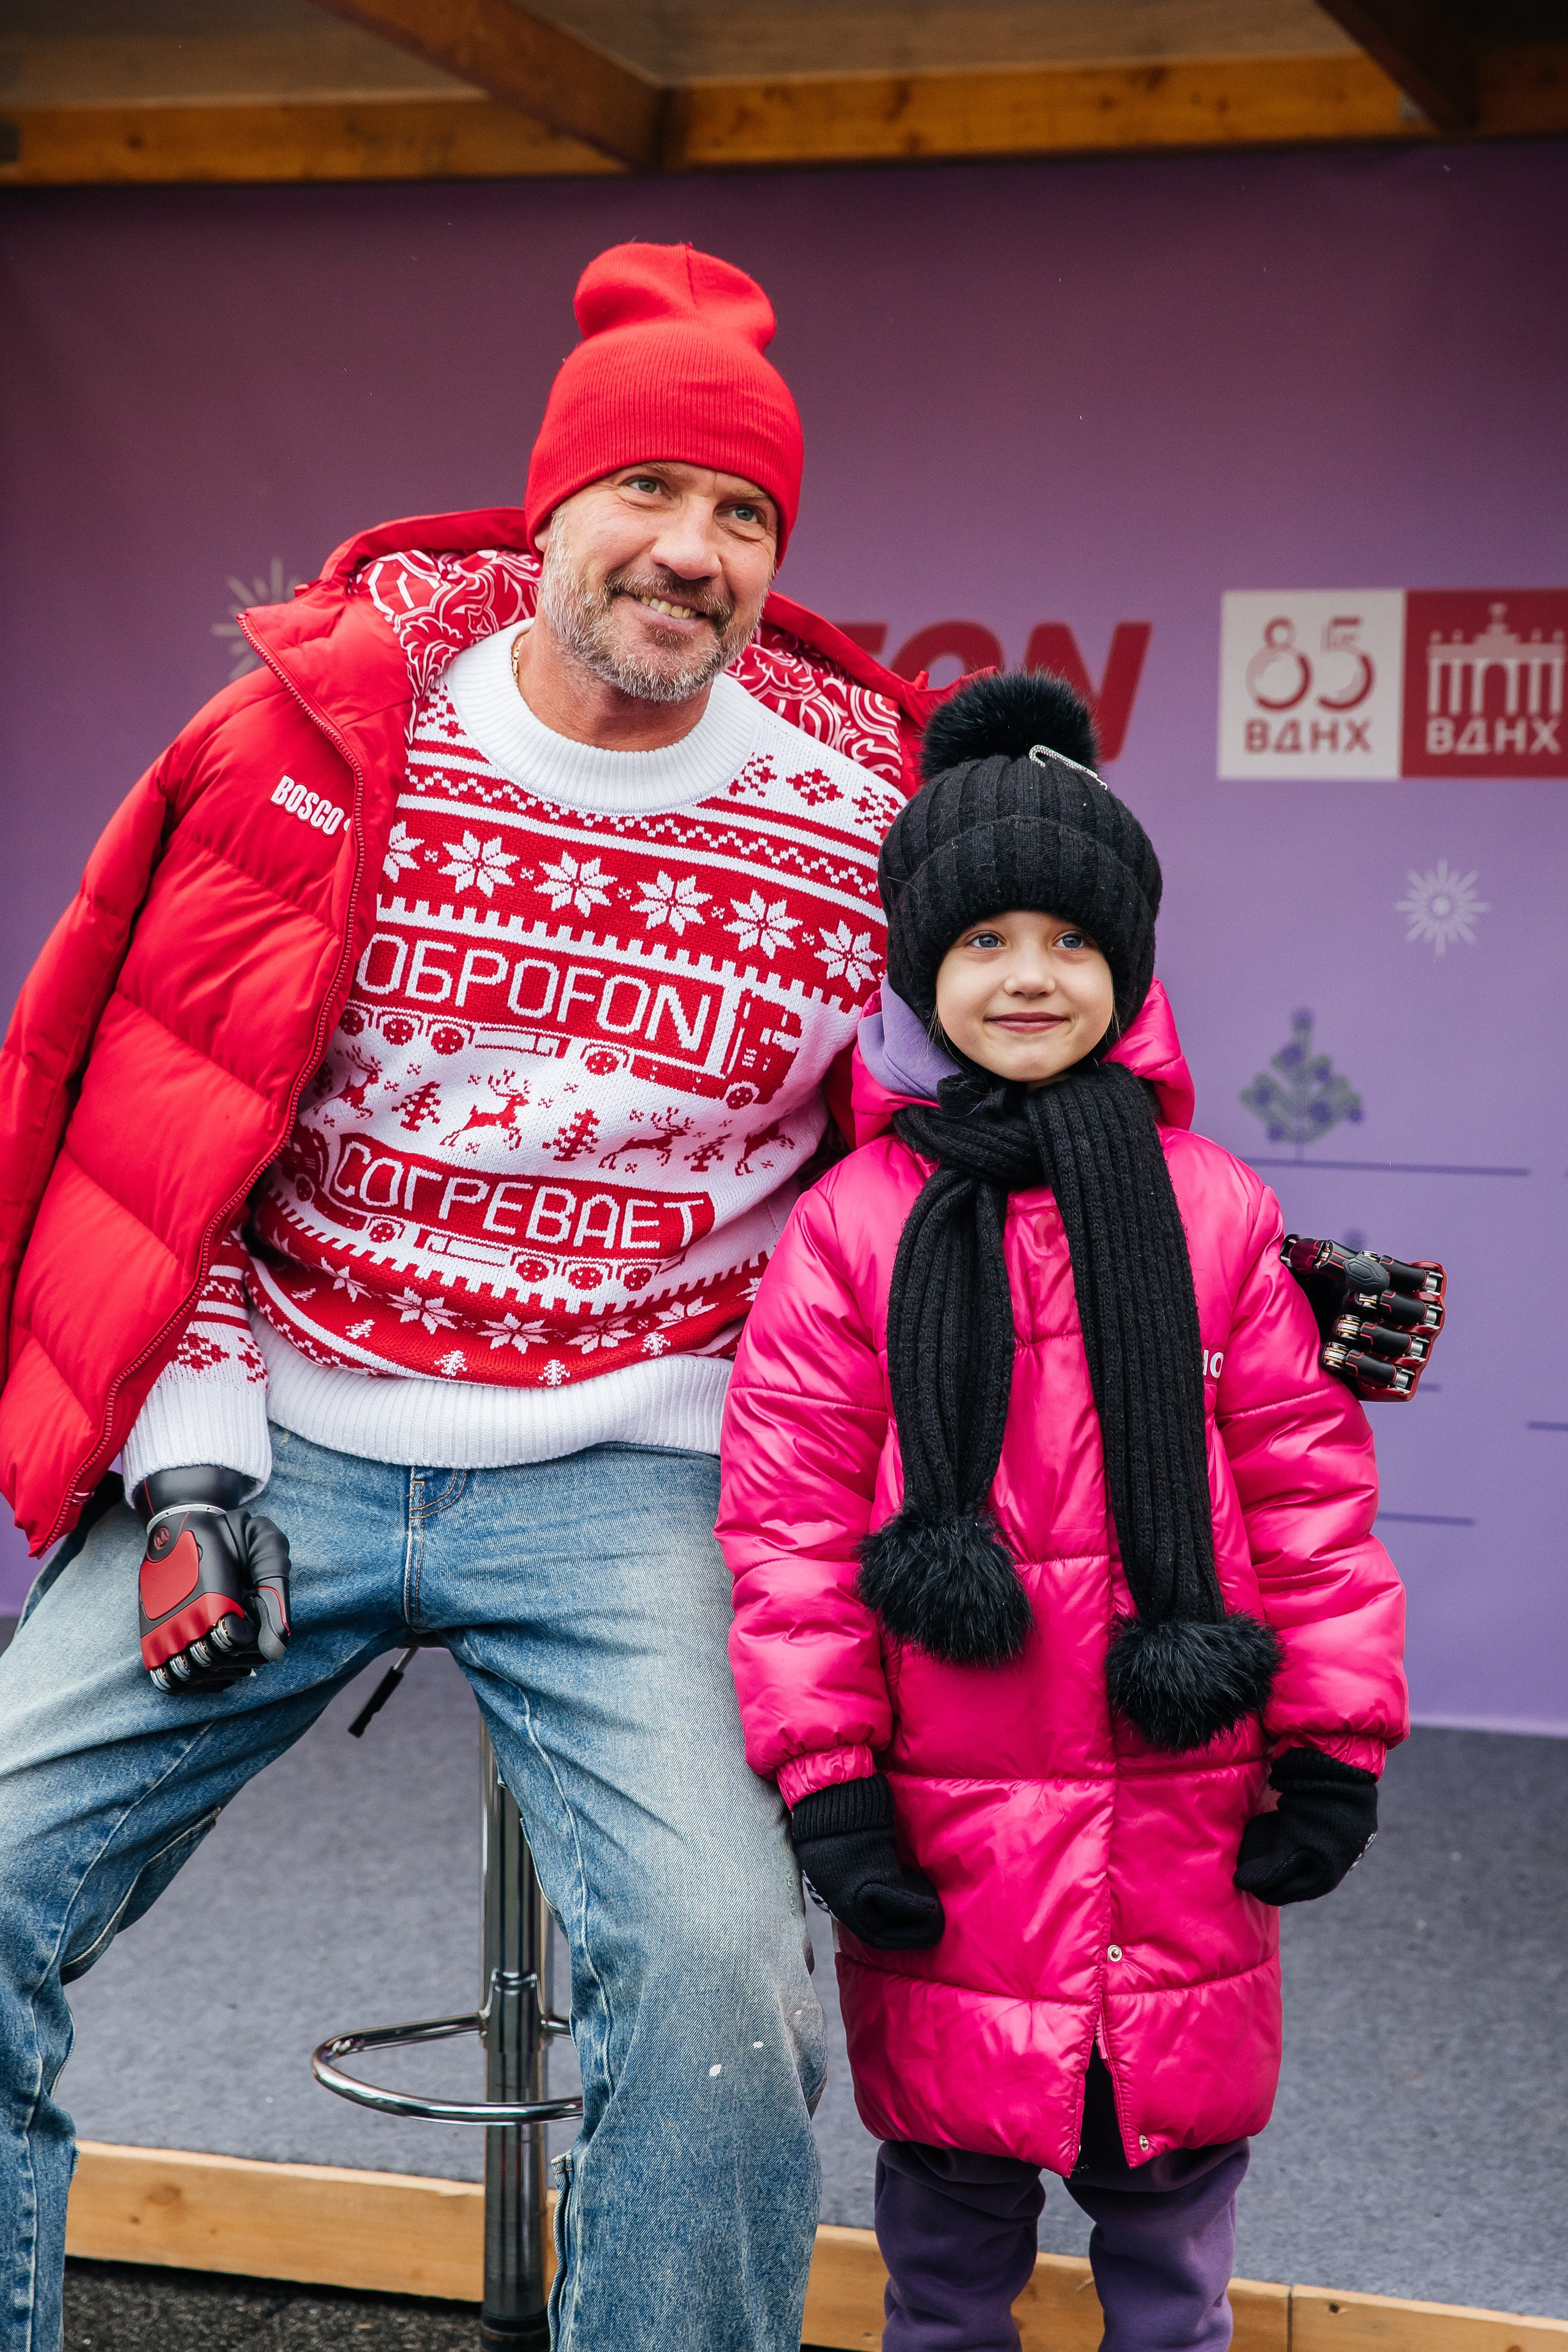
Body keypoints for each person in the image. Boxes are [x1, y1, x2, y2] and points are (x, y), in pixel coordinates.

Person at [0, 241, 935, 2352]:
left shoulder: (867, 810)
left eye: (747, 518)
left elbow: (997, 1117)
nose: (691, 554)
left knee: (716, 1996)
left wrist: (1207, 1257)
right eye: (651, 493)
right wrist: (192, 1469)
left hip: (645, 1467)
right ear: (549, 507)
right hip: (284, 1431)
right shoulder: (316, 745)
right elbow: (158, 1144)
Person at [717, 671, 1409, 2352]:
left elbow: (1309, 1496)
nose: (1030, 977)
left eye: (1070, 943)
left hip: (1184, 1817)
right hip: (950, 1839)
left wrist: (1334, 1745)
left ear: (1129, 971)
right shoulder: (852, 1231)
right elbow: (793, 1532)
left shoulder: (1217, 1209)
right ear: (919, 973)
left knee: (1175, 2262)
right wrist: (828, 1787)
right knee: (946, 2262)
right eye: (982, 943)